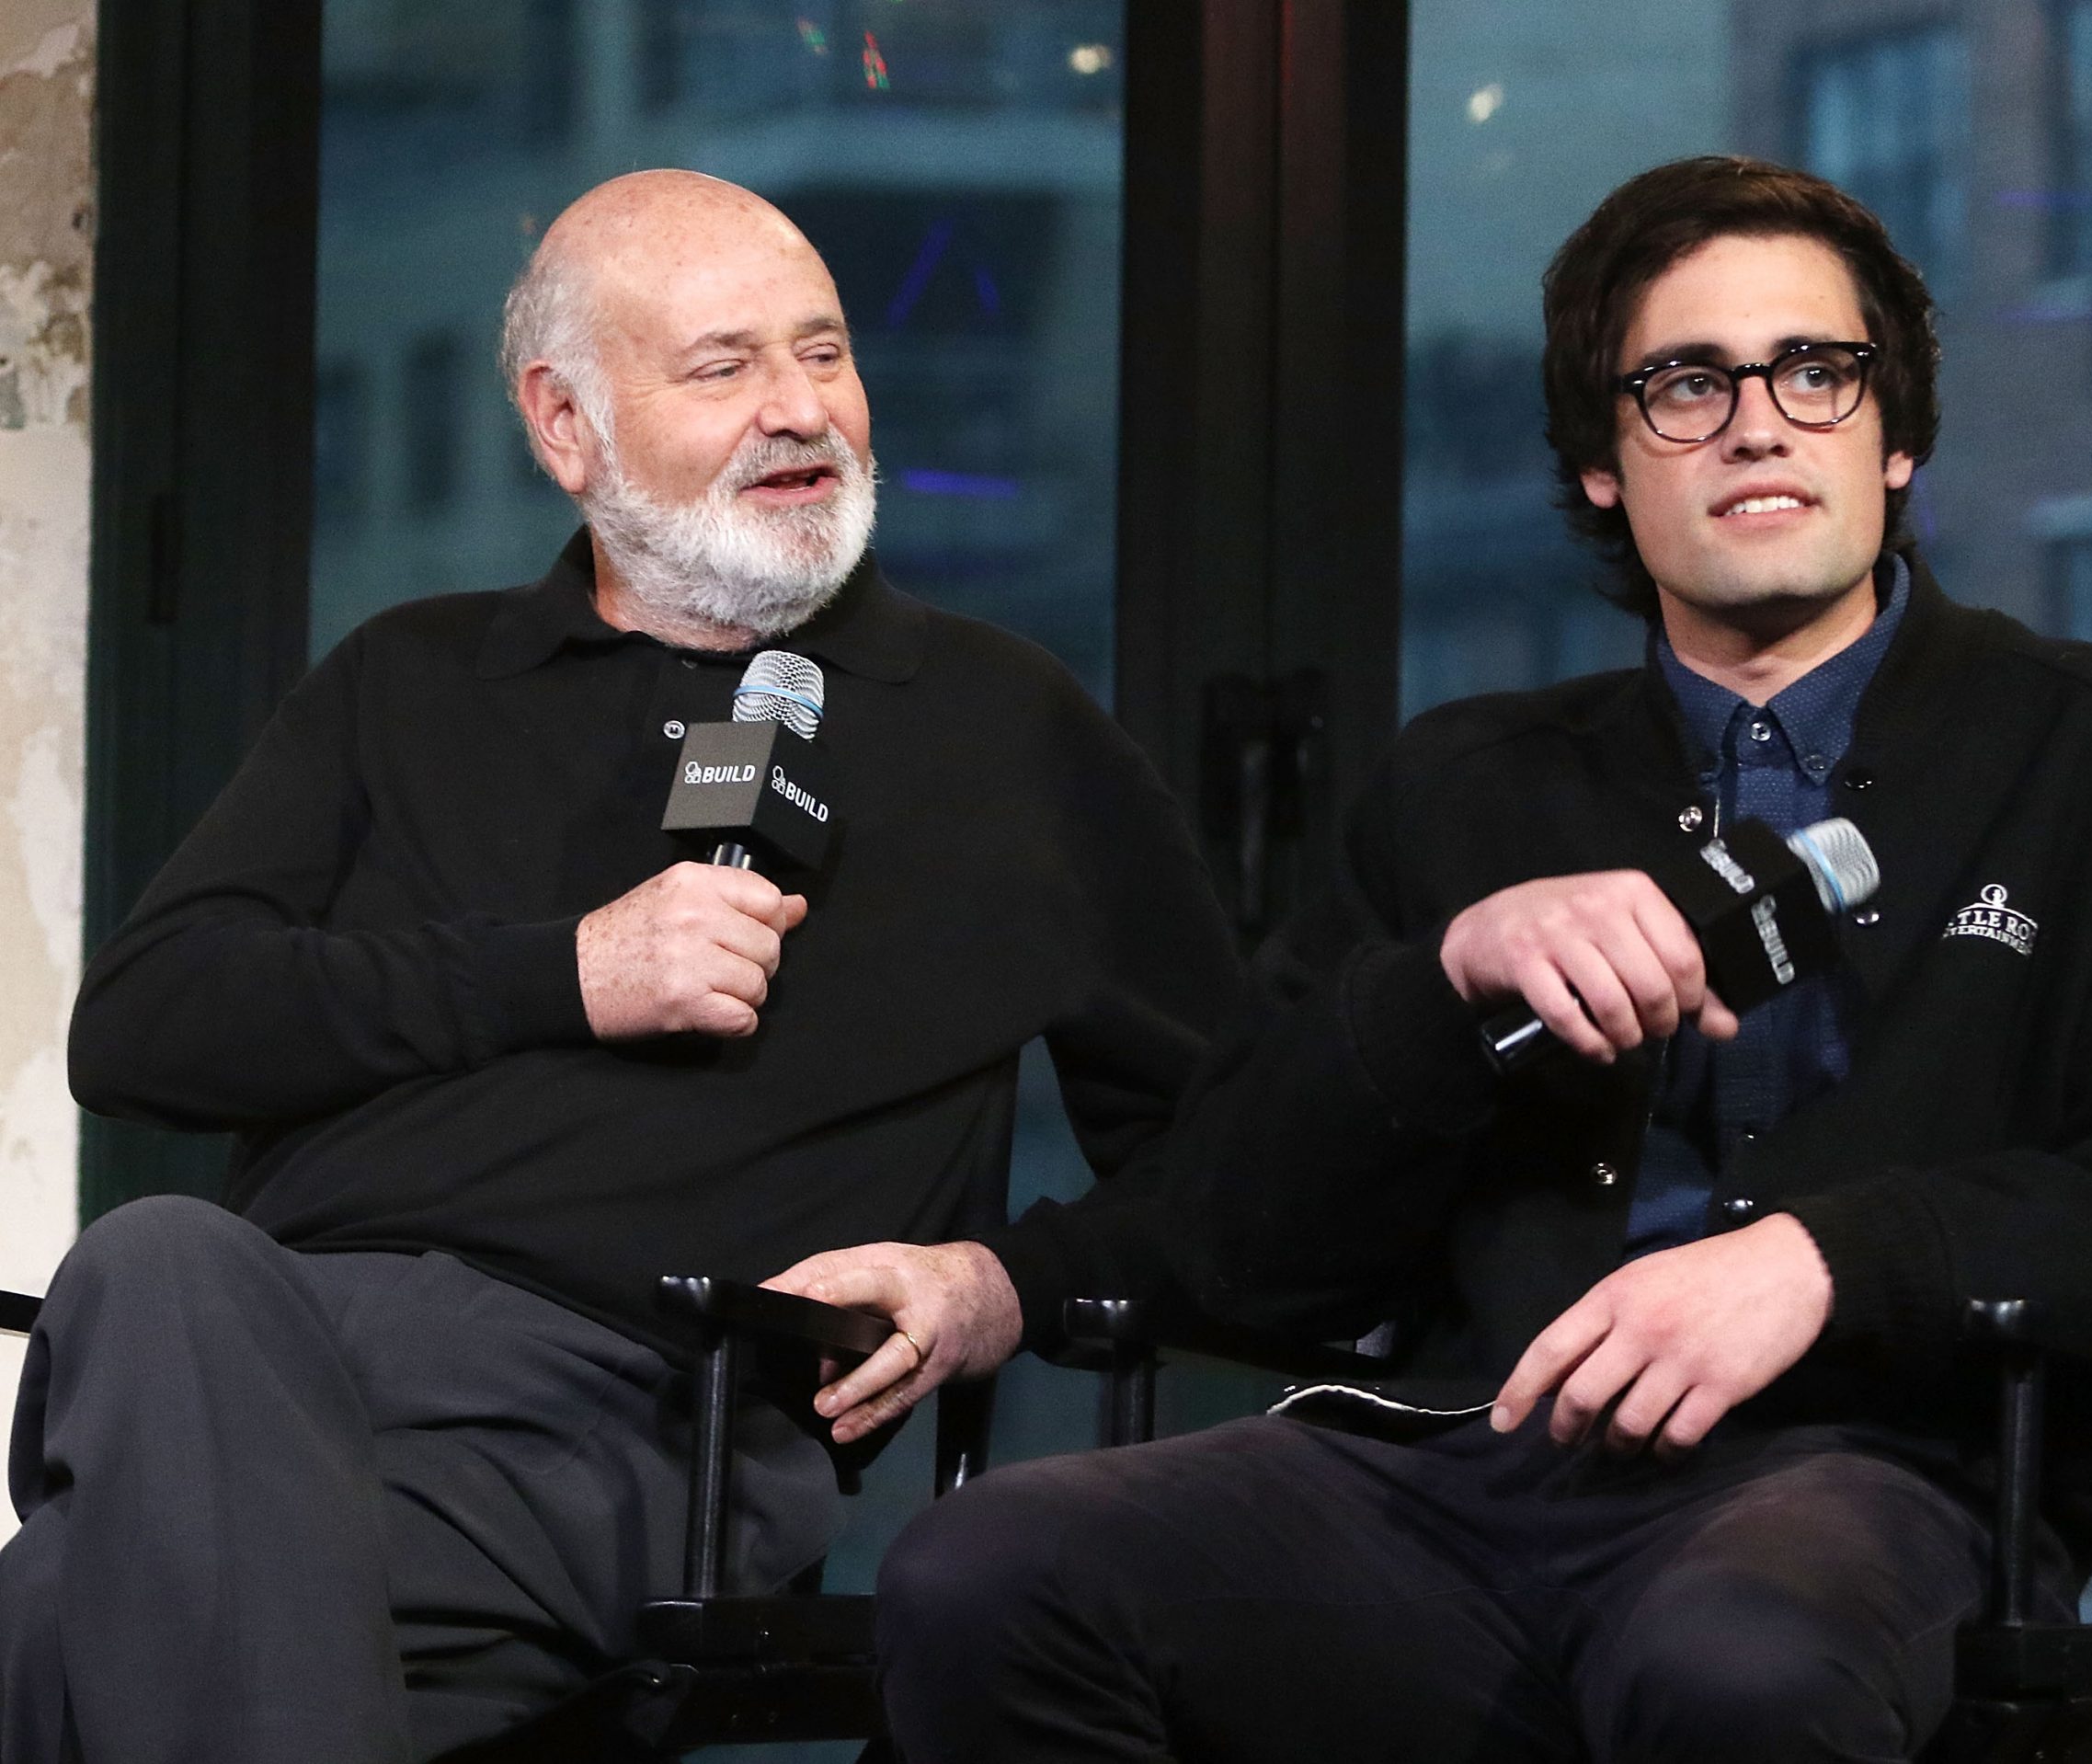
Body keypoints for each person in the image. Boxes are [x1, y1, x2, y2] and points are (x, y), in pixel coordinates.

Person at [875, 155, 2092, 1762]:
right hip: (1466, 1472)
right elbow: (1236, 1229)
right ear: (1606, 470)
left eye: (1816, 374)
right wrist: (1447, 977)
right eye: (1687, 383)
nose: (1757, 421)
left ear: (1894, 440)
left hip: (1876, 1478)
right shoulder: (1471, 780)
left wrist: (1826, 1261)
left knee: (1733, 1663)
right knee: (981, 1571)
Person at [0, 170, 1236, 1764]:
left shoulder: (1006, 728)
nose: (802, 410)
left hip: (651, 1416)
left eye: (826, 353)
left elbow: (1235, 1154)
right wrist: (563, 971)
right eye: (725, 368)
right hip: (262, 1359)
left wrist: (1002, 1284)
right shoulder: (408, 678)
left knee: (67, 1612)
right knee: (167, 1269)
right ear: (565, 428)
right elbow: (146, 1024)